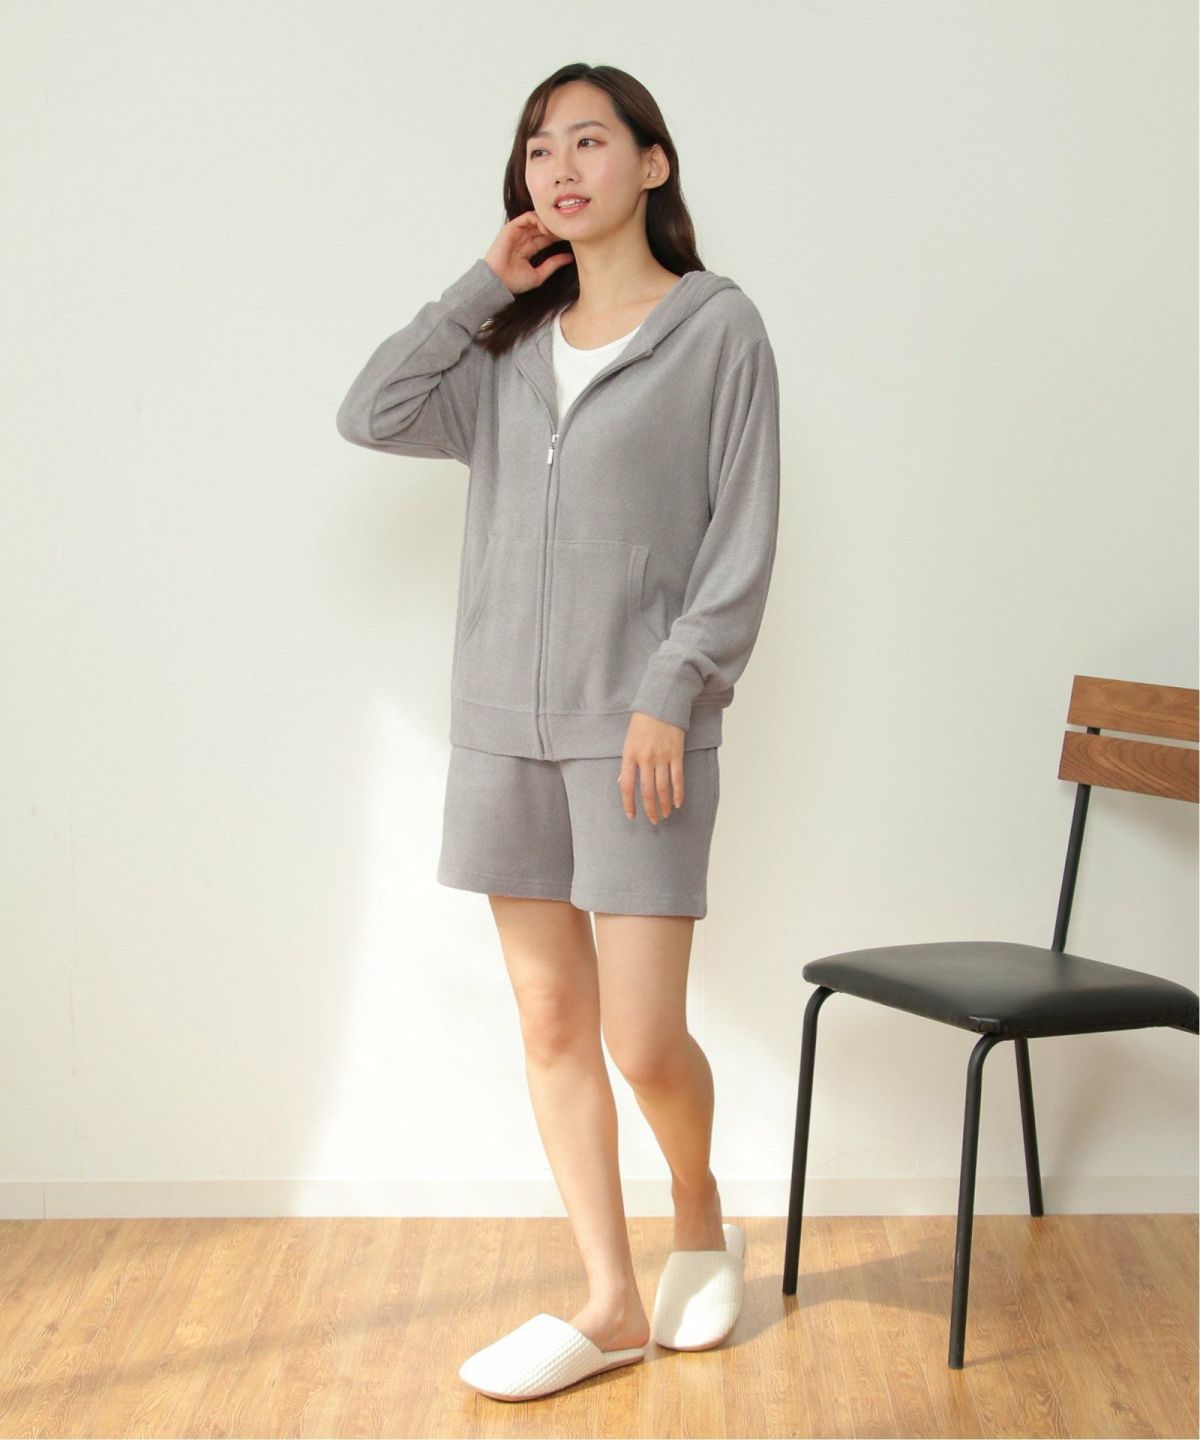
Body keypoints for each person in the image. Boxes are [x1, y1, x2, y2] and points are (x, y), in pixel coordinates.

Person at [336, 62, 779, 1402]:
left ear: (653, 162)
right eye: (539, 149)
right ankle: (610, 1295)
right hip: (500, 731)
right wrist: (482, 284)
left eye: (589, 141)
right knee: (548, 1021)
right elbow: (372, 413)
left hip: (639, 732)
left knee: (642, 1038)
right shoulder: (505, 352)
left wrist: (673, 686)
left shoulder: (717, 329)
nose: (560, 167)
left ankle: (697, 1211)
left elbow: (742, 540)